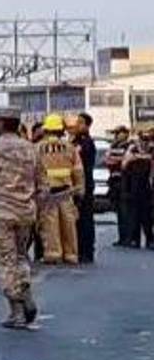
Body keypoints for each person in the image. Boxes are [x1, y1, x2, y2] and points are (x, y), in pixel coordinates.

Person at [0, 107, 45, 329]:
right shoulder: (31, 149)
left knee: (5, 260)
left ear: (1, 123)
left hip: (1, 213)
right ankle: (26, 292)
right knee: (21, 257)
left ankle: (17, 310)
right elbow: (43, 184)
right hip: (25, 213)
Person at [36, 114, 85, 265]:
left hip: (48, 192)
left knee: (50, 226)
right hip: (66, 191)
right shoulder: (70, 147)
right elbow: (78, 170)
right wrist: (80, 191)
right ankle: (71, 255)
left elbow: (33, 170)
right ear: (61, 130)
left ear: (46, 130)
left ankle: (53, 254)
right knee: (68, 225)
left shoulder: (38, 148)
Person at [121, 130, 154, 249]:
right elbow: (124, 164)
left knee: (147, 215)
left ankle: (150, 239)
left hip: (147, 187)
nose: (145, 142)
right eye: (143, 139)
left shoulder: (151, 149)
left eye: (147, 139)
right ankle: (135, 239)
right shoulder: (132, 149)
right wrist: (133, 157)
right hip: (134, 186)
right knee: (134, 214)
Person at [72, 113, 97, 264]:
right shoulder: (76, 141)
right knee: (78, 220)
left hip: (85, 184)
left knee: (86, 219)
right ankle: (79, 249)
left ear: (87, 126)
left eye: (80, 123)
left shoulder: (87, 143)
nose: (77, 125)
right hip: (76, 185)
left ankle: (87, 251)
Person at [107, 127, 131, 246]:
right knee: (119, 211)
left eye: (118, 133)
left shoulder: (129, 146)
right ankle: (122, 237)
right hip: (114, 181)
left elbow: (125, 162)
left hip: (125, 181)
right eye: (115, 133)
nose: (116, 136)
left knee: (125, 211)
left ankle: (128, 238)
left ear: (126, 134)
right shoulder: (114, 146)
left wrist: (114, 159)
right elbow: (107, 160)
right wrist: (114, 160)